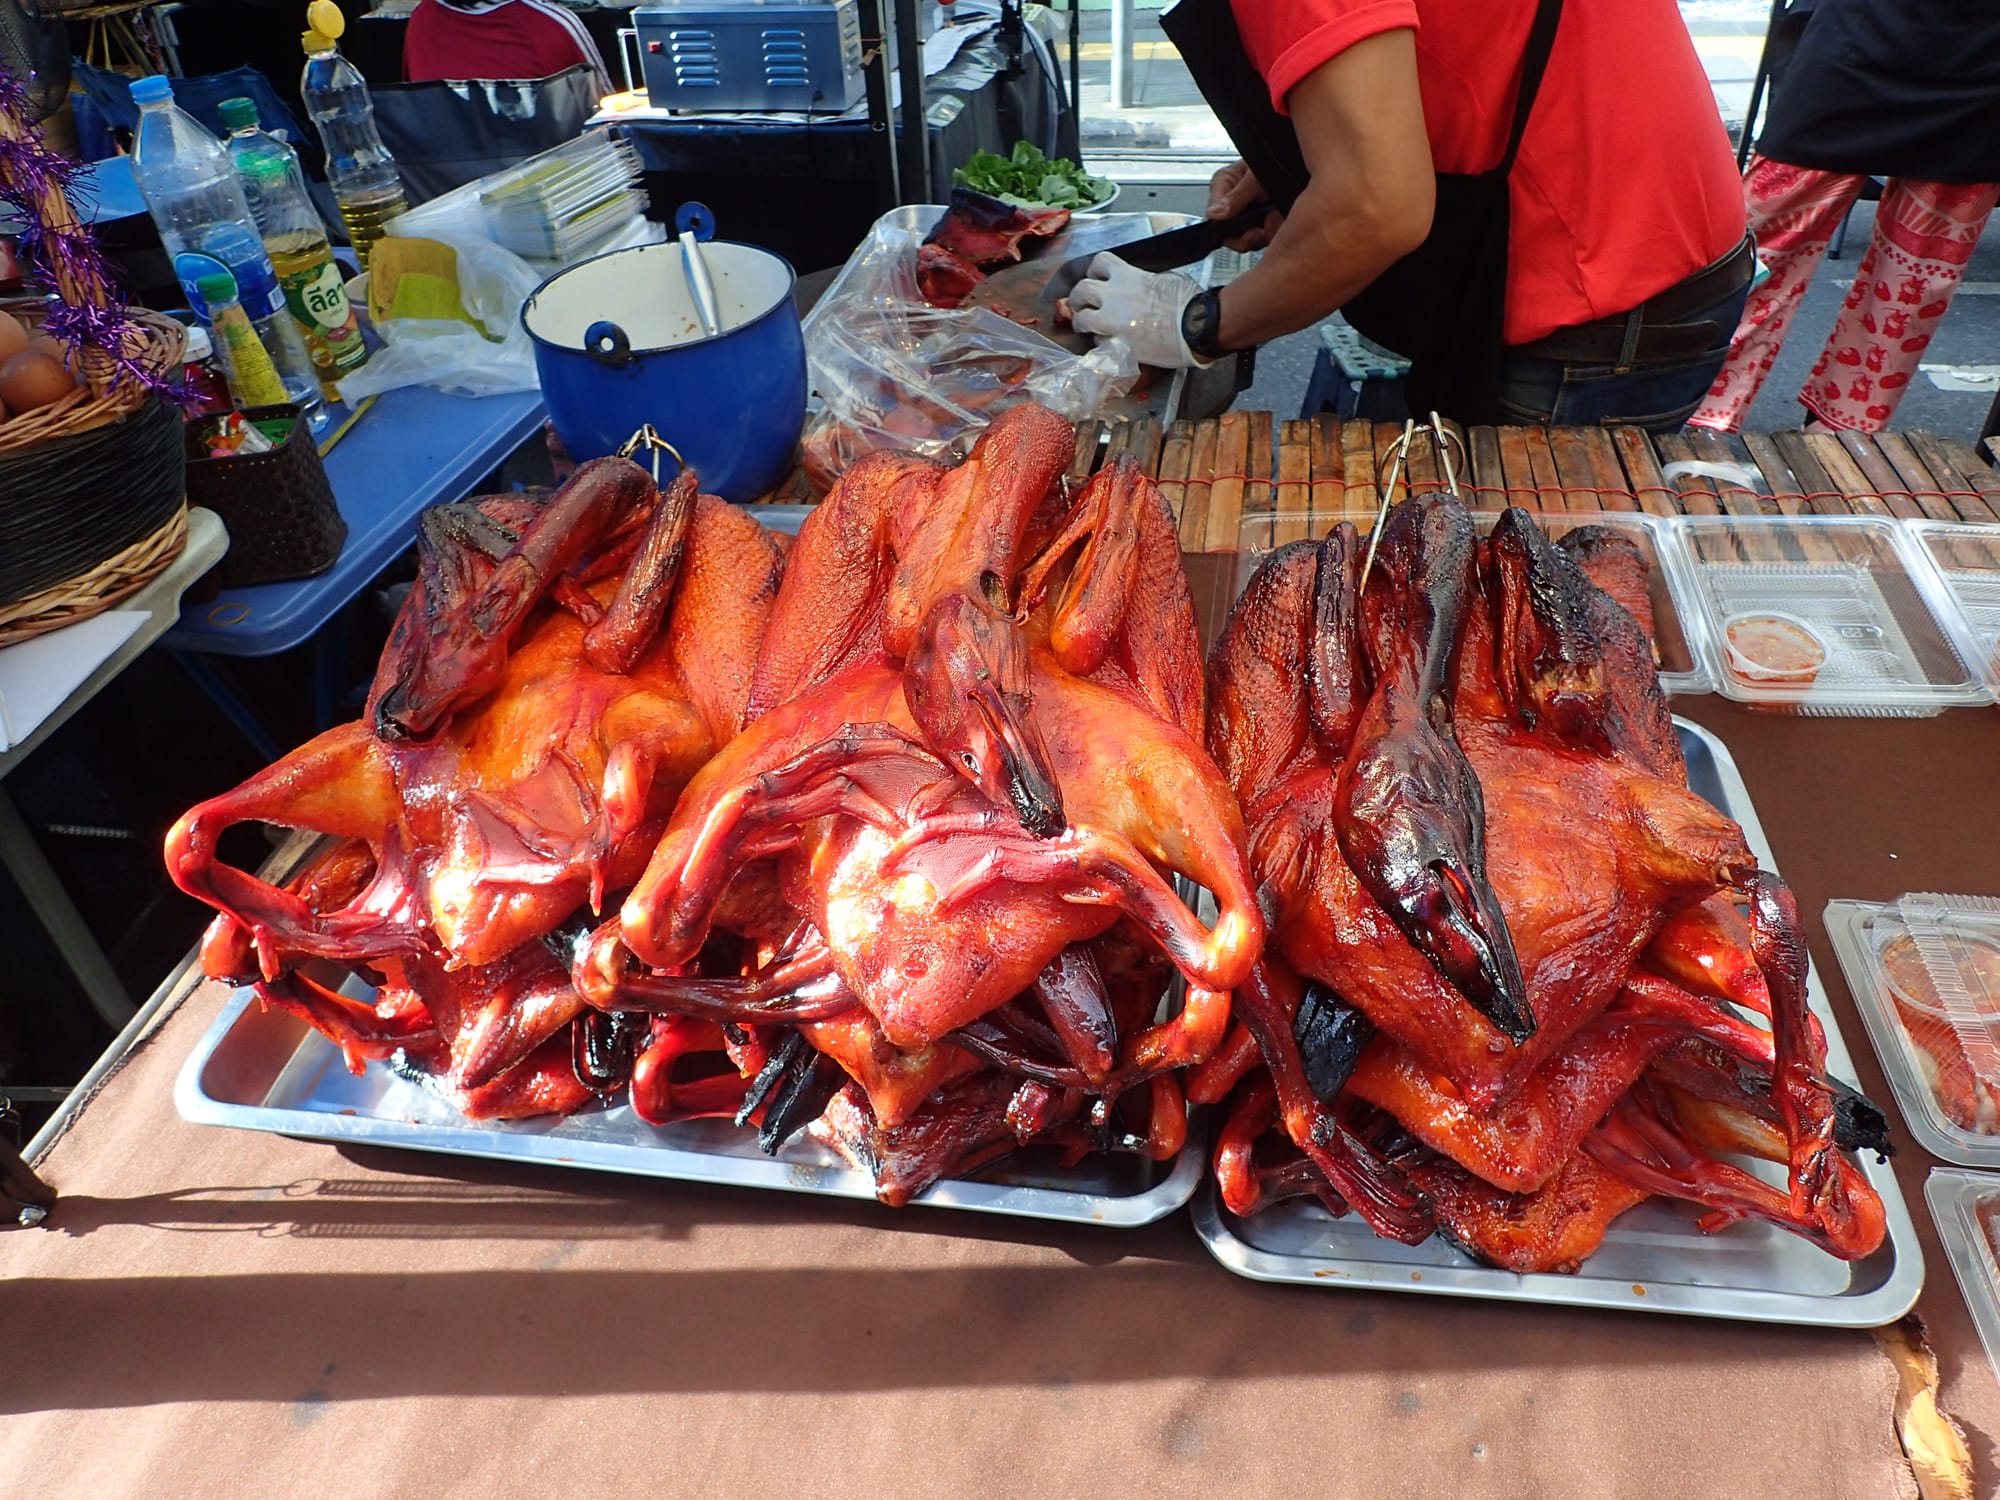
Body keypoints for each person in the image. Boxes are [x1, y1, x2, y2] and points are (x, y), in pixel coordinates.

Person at [1066, 0, 1755, 429]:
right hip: (1663, 233)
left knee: (1516, 618)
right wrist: (1309, 165)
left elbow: (1377, 206)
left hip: (1599, 300)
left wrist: (1199, 324)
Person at [1690, 0, 2000, 434]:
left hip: (1984, 60)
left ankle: (1845, 426)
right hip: (1858, 36)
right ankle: (1699, 409)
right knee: (1757, 242)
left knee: (1920, 271)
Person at [403, 0, 612, 94]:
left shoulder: (421, 19)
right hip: (552, 176)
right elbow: (612, 119)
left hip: (448, 180)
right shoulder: (550, 24)